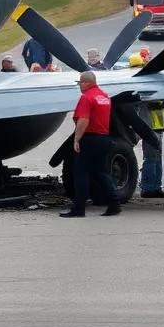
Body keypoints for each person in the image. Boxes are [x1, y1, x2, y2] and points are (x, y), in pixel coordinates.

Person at [61, 71, 120, 218]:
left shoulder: (86, 97)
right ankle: (114, 203)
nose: (80, 86)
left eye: (80, 82)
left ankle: (79, 208)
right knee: (101, 172)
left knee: (81, 173)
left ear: (87, 82)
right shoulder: (104, 96)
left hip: (89, 138)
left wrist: (77, 139)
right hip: (103, 137)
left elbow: (83, 120)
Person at [131, 56, 164, 199]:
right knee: (152, 158)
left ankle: (155, 187)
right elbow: (154, 102)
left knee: (156, 158)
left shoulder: (144, 84)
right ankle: (148, 187)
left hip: (156, 126)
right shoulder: (142, 86)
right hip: (150, 127)